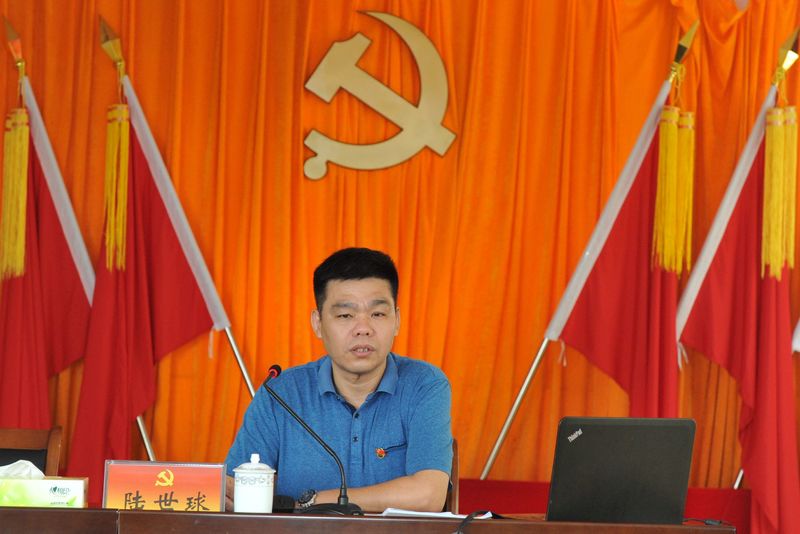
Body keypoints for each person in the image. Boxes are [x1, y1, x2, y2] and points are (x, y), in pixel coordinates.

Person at [225, 247, 452, 512]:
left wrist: (312, 502)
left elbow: (428, 496)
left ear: (397, 320)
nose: (363, 329)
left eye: (378, 314)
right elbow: (232, 493)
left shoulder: (424, 385)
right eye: (345, 315)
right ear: (318, 323)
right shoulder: (280, 395)